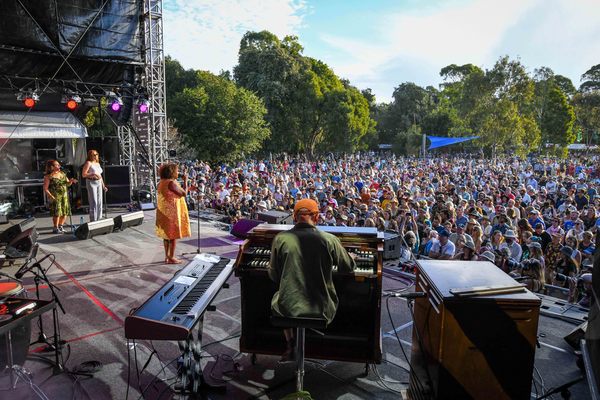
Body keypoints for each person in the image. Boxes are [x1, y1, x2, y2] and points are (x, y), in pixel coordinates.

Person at [268, 198, 356, 361]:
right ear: (316, 217)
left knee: (278, 297)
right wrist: (350, 257)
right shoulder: (329, 239)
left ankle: (290, 343)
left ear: (294, 217)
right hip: (321, 307)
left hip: (288, 307)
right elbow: (348, 267)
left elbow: (273, 275)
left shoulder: (281, 239)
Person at [155, 163, 191, 264]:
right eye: (176, 171)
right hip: (171, 213)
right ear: (171, 172)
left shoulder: (162, 182)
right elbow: (184, 193)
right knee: (172, 236)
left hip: (164, 212)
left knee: (166, 236)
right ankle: (171, 257)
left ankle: (167, 256)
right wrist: (185, 181)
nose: (178, 172)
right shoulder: (171, 183)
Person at [43, 159, 77, 233]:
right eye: (57, 165)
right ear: (52, 167)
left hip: (64, 196)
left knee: (65, 212)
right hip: (56, 197)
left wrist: (71, 181)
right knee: (57, 212)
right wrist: (51, 196)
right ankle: (55, 227)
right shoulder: (48, 176)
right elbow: (45, 188)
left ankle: (61, 226)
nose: (59, 166)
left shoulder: (62, 173)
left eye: (59, 165)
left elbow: (67, 184)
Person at [81, 149, 108, 222]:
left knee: (99, 201)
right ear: (90, 155)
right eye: (94, 154)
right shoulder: (88, 163)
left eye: (96, 154)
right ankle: (93, 219)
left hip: (99, 182)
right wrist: (92, 174)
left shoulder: (97, 163)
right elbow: (83, 174)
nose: (95, 156)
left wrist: (103, 186)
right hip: (91, 182)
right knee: (94, 201)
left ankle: (99, 218)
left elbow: (100, 175)